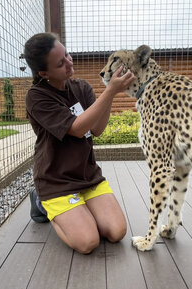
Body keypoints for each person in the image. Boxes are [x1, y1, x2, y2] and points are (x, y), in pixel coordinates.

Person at [23, 32, 135, 254]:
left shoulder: (81, 88)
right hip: (56, 181)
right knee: (87, 242)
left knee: (116, 232)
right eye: (60, 63)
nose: (68, 62)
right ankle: (43, 204)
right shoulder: (37, 97)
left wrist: (109, 96)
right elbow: (76, 129)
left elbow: (97, 130)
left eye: (67, 54)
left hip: (87, 176)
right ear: (44, 73)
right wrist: (110, 89)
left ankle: (79, 209)